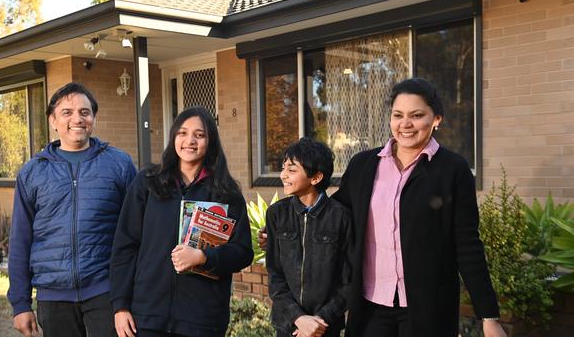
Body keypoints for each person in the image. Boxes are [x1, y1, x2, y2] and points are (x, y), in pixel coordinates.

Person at [259, 78, 506, 337]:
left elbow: (467, 245)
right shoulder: (364, 165)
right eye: (398, 115)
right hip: (370, 305)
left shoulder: (453, 170)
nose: (405, 124)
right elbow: (331, 214)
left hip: (428, 308)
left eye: (417, 115)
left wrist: (488, 316)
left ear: (436, 119)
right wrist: (280, 233)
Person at [109, 106, 253, 337]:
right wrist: (121, 305)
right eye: (182, 133)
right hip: (147, 317)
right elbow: (125, 246)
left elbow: (243, 251)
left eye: (200, 134)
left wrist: (205, 257)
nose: (190, 141)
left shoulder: (225, 193)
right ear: (173, 137)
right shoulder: (147, 183)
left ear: (210, 141)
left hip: (202, 320)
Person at [7, 82, 137, 337]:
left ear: (94, 118)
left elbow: (137, 230)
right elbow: (21, 240)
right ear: (53, 120)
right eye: (67, 112)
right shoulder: (32, 172)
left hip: (106, 291)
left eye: (84, 112)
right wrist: (20, 304)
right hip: (53, 296)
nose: (77, 118)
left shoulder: (119, 164)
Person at [266, 138, 353, 337]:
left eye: (292, 169)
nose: (283, 175)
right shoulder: (276, 214)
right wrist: (298, 318)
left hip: (325, 327)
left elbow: (348, 280)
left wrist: (319, 321)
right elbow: (275, 274)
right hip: (287, 325)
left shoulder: (341, 217)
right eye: (283, 168)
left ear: (315, 178)